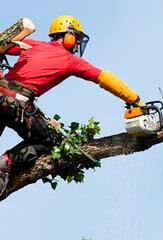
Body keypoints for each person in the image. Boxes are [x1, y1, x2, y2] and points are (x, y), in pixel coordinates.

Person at [0, 15, 145, 196]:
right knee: (50, 140)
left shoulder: (34, 45)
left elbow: (5, 44)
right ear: (68, 36)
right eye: (76, 40)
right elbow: (103, 77)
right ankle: (6, 162)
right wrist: (134, 99)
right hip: (15, 105)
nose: (76, 47)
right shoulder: (70, 60)